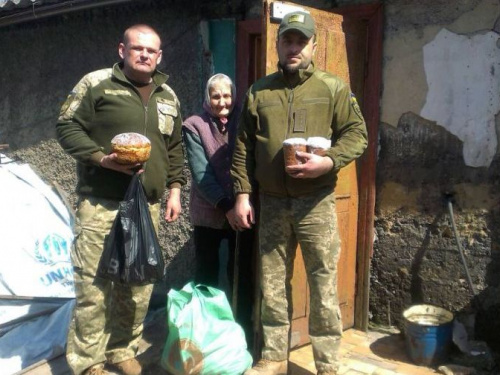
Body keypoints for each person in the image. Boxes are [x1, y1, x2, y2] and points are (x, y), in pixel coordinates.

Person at [231, 11, 368, 375]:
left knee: (323, 283)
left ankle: (327, 365)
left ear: (314, 46)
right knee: (272, 284)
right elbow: (243, 146)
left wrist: (330, 162)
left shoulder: (332, 88)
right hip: (273, 202)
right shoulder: (259, 92)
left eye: (301, 41)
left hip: (316, 203)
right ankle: (274, 357)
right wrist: (243, 194)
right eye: (288, 40)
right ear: (278, 44)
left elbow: (357, 134)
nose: (294, 48)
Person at [56, 24, 185, 375]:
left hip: (147, 206)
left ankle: (122, 349)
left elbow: (173, 148)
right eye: (137, 48)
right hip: (101, 202)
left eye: (151, 51)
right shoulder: (96, 84)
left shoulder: (168, 96)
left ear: (159, 56)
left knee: (138, 283)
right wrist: (102, 159)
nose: (144, 55)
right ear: (122, 50)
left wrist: (175, 189)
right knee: (93, 285)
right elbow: (66, 127)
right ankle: (88, 361)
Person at [182, 73, 255, 350]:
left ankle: (242, 335)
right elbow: (201, 173)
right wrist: (227, 207)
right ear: (207, 98)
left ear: (233, 96)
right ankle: (205, 335)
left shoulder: (244, 119)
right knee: (206, 274)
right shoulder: (194, 125)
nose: (222, 101)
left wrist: (240, 203)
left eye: (227, 95)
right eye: (216, 95)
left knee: (241, 274)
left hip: (242, 209)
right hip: (209, 211)